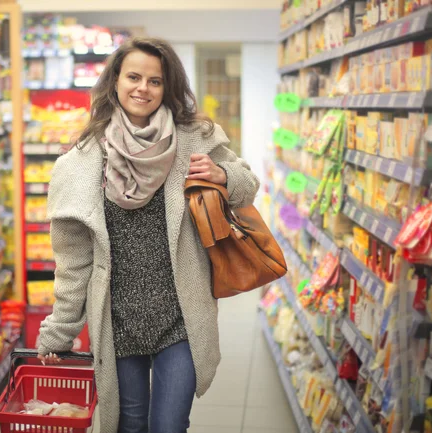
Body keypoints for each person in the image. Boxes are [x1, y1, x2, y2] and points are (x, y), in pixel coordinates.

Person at [36, 37, 260, 433]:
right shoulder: (81, 162)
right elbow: (73, 262)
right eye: (134, 77)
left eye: (155, 81)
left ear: (167, 87)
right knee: (130, 425)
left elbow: (247, 186)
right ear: (116, 81)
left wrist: (223, 175)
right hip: (117, 320)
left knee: (171, 426)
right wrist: (60, 332)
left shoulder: (195, 139)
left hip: (182, 314)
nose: (143, 88)